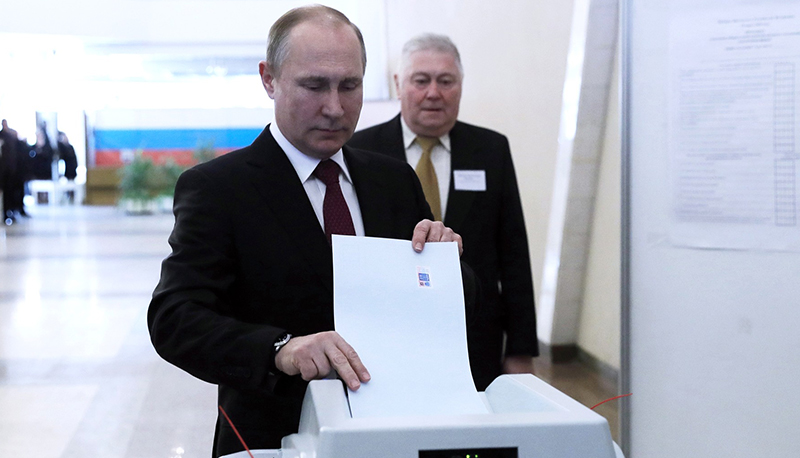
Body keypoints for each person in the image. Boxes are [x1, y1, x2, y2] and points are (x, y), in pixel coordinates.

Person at [147, 7, 471, 457]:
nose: (334, 107)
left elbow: (451, 305)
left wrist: (448, 264)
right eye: (314, 86)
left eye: (349, 86)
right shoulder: (220, 189)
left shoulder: (393, 180)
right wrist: (280, 350)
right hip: (274, 435)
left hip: (395, 431)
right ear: (269, 79)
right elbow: (175, 318)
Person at [349, 33, 539, 391]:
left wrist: (520, 349)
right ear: (399, 85)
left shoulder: (491, 150)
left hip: (476, 336)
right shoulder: (360, 150)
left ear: (461, 86)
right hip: (389, 336)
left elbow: (513, 253)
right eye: (421, 80)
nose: (433, 93)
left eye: (446, 81)